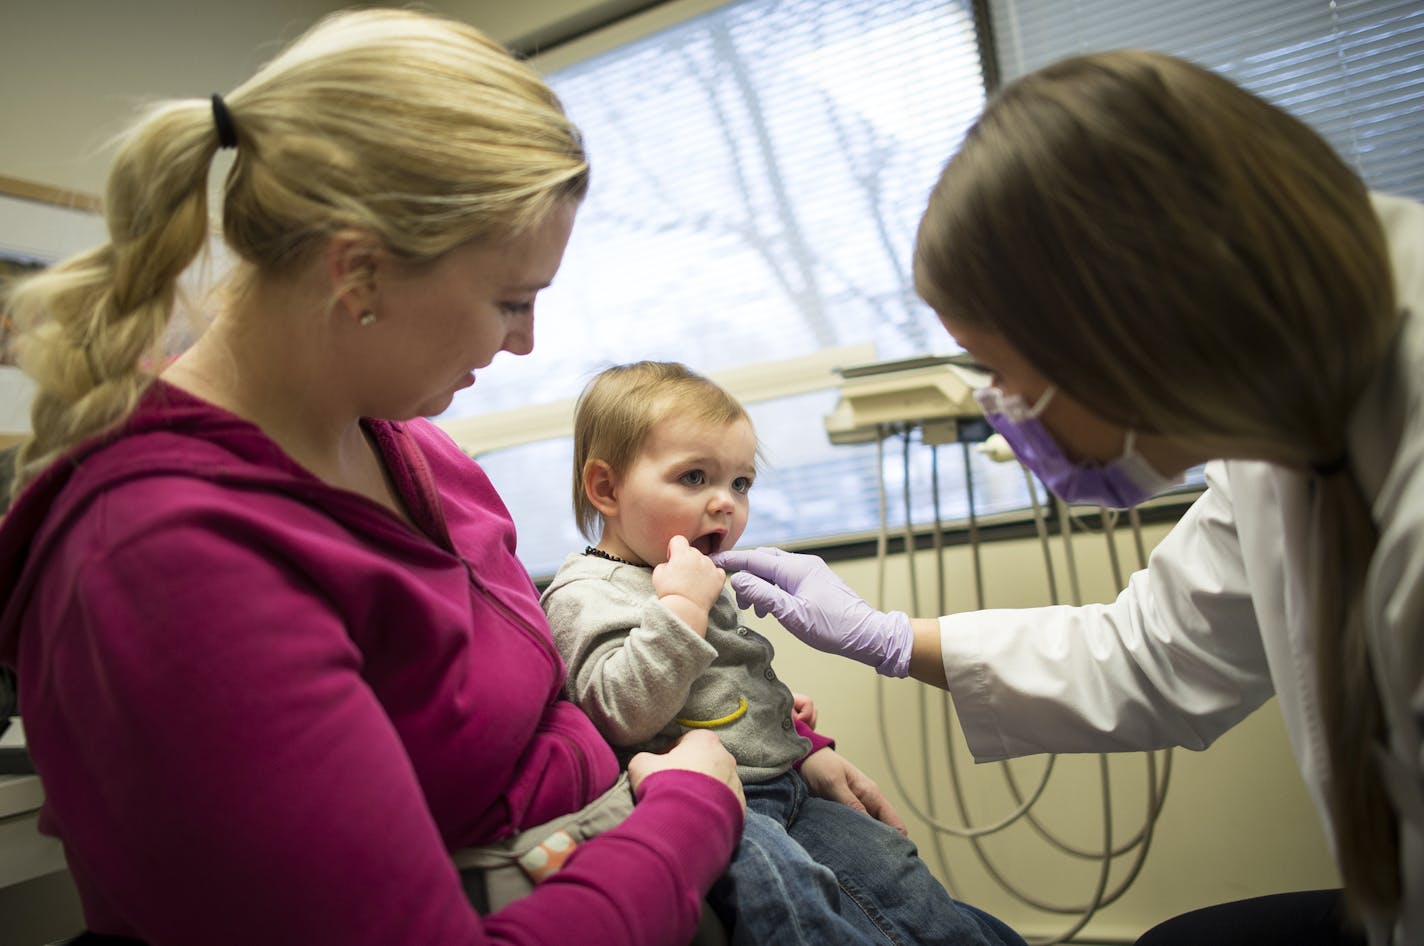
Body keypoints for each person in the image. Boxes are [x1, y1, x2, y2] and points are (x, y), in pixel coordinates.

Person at [0, 10, 747, 945]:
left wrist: (764, 764)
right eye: (510, 300)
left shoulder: (424, 456)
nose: (524, 341)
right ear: (359, 273)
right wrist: (692, 815)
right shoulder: (163, 559)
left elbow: (553, 698)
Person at [712, 50, 1422, 946]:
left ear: (1124, 323)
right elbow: (1155, 653)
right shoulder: (1284, 428)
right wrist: (890, 639)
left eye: (1005, 370)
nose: (1007, 412)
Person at [541, 360, 1026, 946]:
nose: (725, 502)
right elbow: (618, 710)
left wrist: (805, 746)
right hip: (716, 803)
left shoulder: (688, 573)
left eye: (740, 483)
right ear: (607, 488)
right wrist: (682, 613)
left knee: (899, 875)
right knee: (795, 902)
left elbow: (730, 676)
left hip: (786, 780)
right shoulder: (585, 592)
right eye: (694, 477)